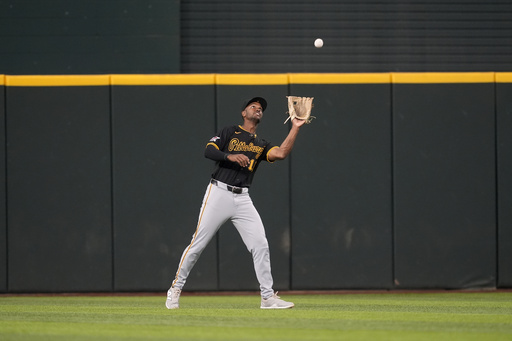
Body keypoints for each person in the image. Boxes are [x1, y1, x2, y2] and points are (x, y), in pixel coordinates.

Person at [166, 97, 306, 309]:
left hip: (243, 198)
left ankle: (267, 297)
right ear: (244, 113)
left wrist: (295, 127)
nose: (258, 109)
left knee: (260, 244)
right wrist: (229, 156)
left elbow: (281, 153)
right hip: (219, 192)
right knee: (198, 244)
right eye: (253, 107)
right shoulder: (229, 132)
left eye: (261, 109)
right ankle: (175, 288)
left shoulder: (261, 144)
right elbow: (208, 151)